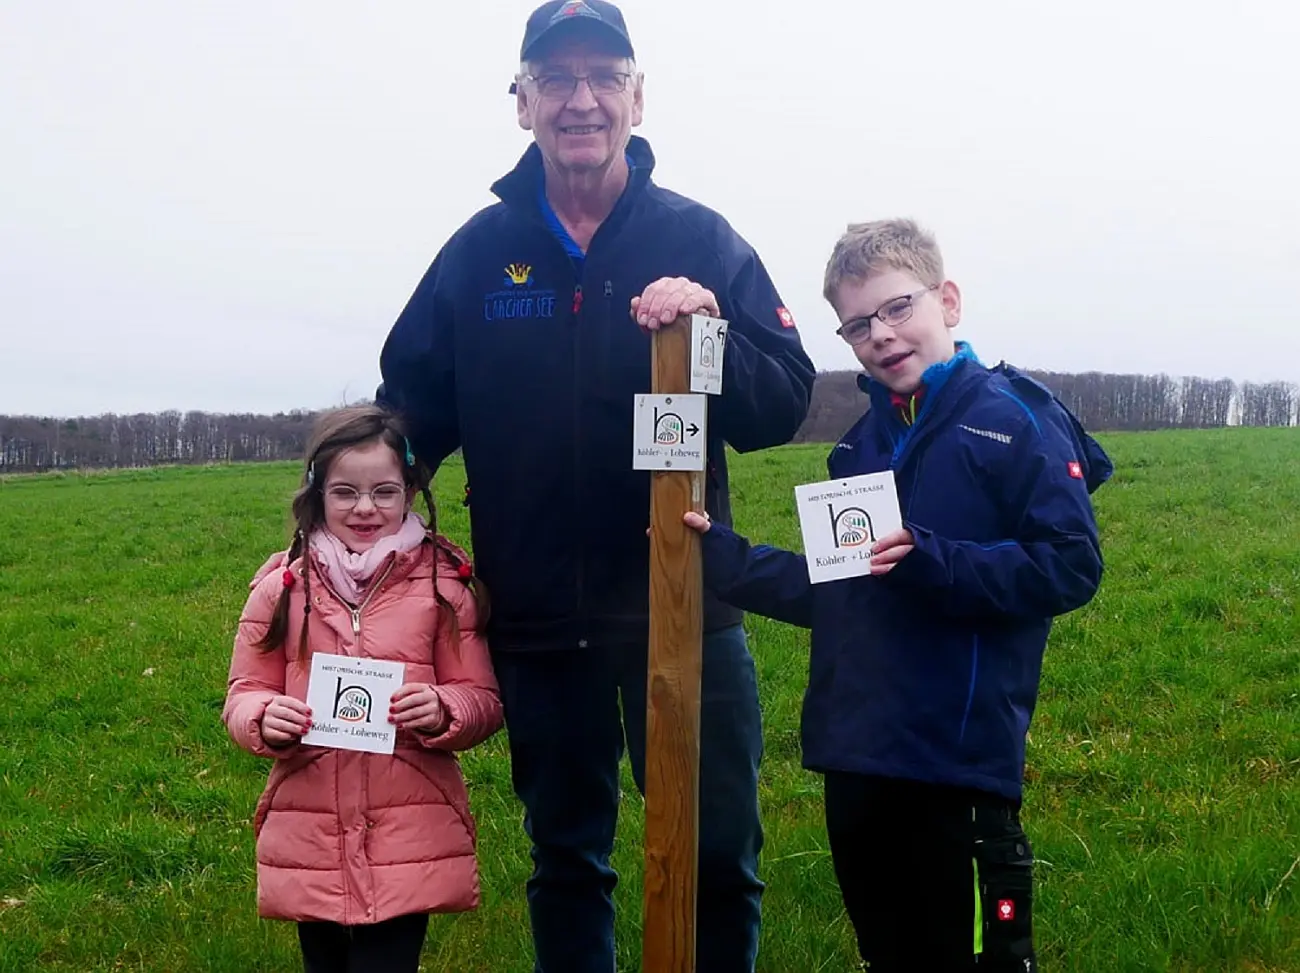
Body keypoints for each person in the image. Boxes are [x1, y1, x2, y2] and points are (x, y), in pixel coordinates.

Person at [374, 2, 816, 969]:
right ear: (521, 100)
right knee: (566, 859)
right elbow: (406, 414)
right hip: (536, 623)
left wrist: (712, 336)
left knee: (714, 857)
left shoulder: (702, 239)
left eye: (605, 77)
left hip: (687, 610)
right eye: (557, 78)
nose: (583, 100)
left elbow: (783, 402)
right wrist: (345, 536)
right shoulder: (478, 255)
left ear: (638, 97)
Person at [681, 219, 1112, 971]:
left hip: (956, 768)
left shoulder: (1017, 420)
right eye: (856, 324)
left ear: (947, 299)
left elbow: (1071, 565)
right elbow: (837, 588)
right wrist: (716, 555)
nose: (879, 335)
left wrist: (935, 562)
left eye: (897, 308)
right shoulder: (859, 443)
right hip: (856, 759)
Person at [224, 405, 503, 973]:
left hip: (408, 828)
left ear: (409, 492)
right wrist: (260, 717)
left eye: (384, 491)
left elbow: (483, 697)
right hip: (310, 831)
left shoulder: (444, 585)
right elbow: (244, 688)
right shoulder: (281, 587)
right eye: (345, 492)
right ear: (316, 494)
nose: (365, 508)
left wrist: (445, 708)